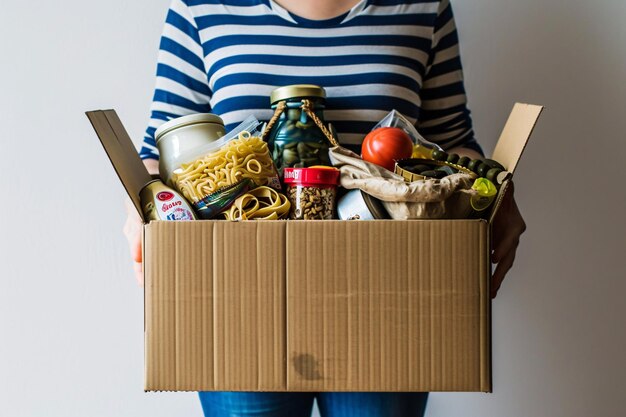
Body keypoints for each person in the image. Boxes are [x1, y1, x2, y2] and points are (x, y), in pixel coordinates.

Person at [124, 0, 527, 415]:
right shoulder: (198, 6)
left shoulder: (424, 6)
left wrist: (498, 192)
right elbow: (160, 146)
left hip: (384, 293)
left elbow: (451, 139)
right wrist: (138, 211)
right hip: (242, 293)